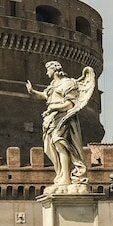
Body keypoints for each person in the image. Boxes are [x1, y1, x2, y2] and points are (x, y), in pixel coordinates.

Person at [25, 61, 95, 190]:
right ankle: (61, 174)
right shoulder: (53, 85)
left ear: (55, 69)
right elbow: (46, 96)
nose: (46, 73)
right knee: (50, 148)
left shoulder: (68, 83)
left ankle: (66, 178)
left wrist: (52, 108)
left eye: (48, 70)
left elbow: (70, 104)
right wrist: (32, 91)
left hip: (64, 118)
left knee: (60, 144)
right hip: (51, 120)